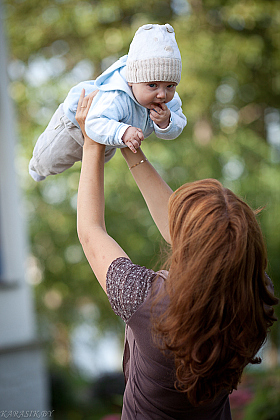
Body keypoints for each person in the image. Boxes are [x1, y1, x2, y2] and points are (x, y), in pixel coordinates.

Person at [75, 91, 278, 419]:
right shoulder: (255, 298)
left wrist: (93, 142)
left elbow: (90, 232)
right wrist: (130, 148)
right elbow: (204, 247)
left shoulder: (149, 303)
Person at [29, 23, 186, 182]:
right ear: (132, 81)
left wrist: (166, 122)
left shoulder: (169, 101)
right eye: (152, 85)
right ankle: (35, 169)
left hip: (109, 137)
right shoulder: (116, 95)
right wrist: (124, 132)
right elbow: (94, 122)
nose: (161, 94)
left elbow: (178, 126)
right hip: (73, 126)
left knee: (96, 164)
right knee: (50, 160)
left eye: (170, 86)